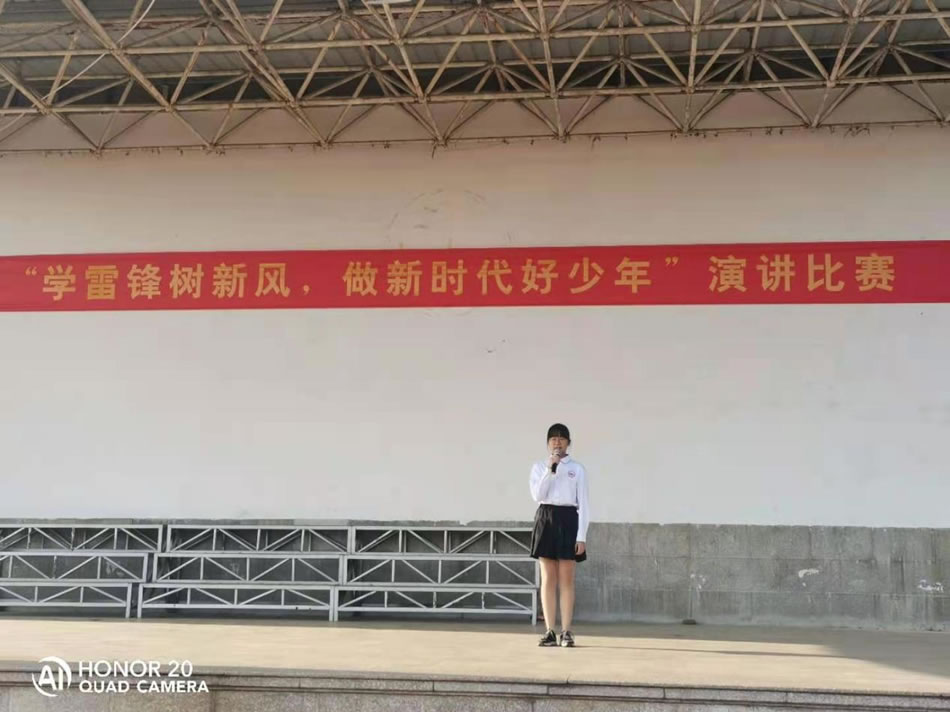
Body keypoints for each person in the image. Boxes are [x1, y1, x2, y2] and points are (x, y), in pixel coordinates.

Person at [528, 423, 589, 648]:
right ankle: (550, 631)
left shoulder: (577, 469)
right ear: (548, 443)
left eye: (562, 438)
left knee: (566, 578)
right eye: (553, 438)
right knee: (548, 578)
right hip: (546, 518)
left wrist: (581, 536)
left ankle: (566, 631)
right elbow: (537, 495)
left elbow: (584, 504)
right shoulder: (539, 467)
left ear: (568, 443)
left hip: (568, 519)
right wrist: (549, 469)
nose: (557, 442)